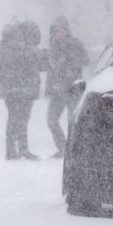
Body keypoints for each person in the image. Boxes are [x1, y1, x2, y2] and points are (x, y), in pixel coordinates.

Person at [0, 19, 42, 160]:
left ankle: (22, 149)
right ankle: (11, 150)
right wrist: (34, 54)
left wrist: (42, 58)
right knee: (15, 119)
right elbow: (16, 62)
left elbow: (31, 66)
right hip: (15, 89)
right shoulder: (9, 45)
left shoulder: (23, 46)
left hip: (25, 88)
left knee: (22, 120)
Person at [44, 17, 88, 158]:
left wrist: (70, 62)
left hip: (72, 90)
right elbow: (49, 68)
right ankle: (62, 147)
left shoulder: (75, 44)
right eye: (54, 31)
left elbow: (85, 60)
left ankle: (73, 150)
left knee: (73, 121)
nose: (56, 33)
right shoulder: (52, 46)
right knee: (51, 120)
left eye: (59, 30)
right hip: (56, 90)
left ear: (66, 30)